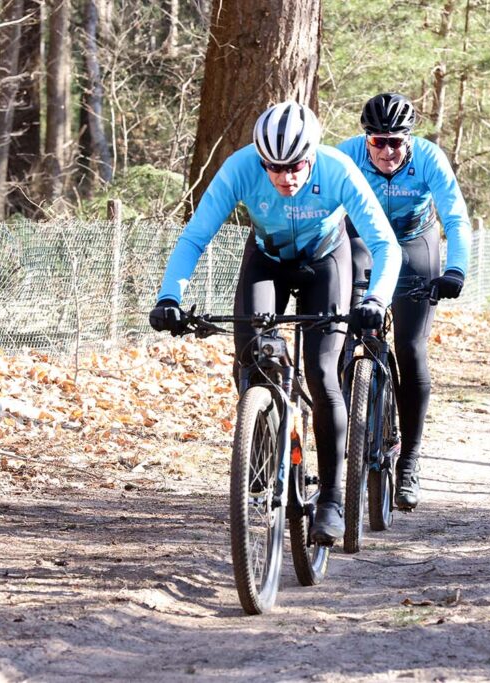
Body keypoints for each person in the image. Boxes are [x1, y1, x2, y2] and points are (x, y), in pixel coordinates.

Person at [149, 101, 401, 544]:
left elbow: (385, 245)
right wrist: (170, 296)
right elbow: (195, 237)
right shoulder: (239, 168)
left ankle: (331, 499)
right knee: (251, 358)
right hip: (267, 261)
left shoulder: (338, 170)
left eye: (296, 166)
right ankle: (262, 448)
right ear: (260, 160)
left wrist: (377, 299)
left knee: (322, 372)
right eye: (274, 167)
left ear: (312, 156)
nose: (286, 178)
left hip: (326, 262)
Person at [337, 92, 471, 512]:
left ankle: (409, 461)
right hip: (362, 242)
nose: (387, 152)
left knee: (411, 349)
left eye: (396, 142)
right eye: (378, 142)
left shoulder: (429, 159)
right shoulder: (345, 155)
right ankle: (342, 442)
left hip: (416, 243)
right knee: (339, 338)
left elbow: (455, 217)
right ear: (366, 140)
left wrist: (456, 270)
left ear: (409, 140)